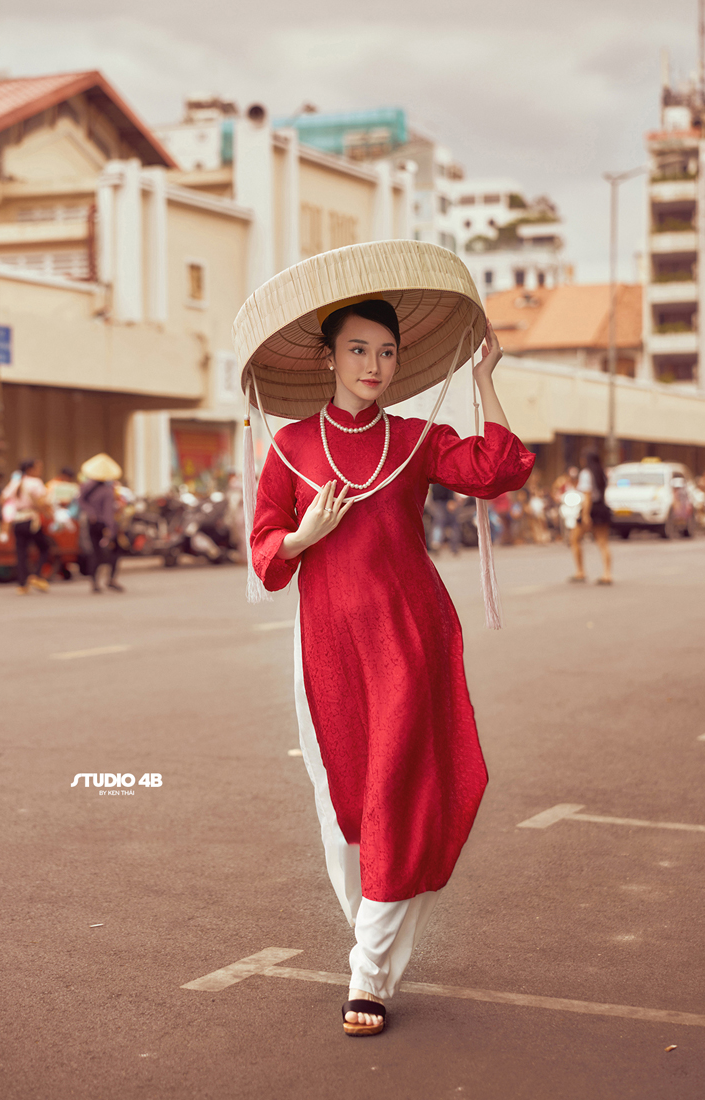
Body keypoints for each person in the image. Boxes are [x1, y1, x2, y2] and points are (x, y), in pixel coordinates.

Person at [247, 266, 535, 1038]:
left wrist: (484, 381)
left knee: (396, 795)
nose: (372, 365)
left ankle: (367, 975)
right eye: (357, 350)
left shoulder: (411, 440)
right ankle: (373, 936)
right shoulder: (291, 447)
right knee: (345, 806)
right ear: (328, 358)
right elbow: (264, 551)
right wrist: (302, 536)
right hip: (328, 648)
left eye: (385, 351)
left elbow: (496, 470)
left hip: (409, 639)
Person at [0, 459, 51, 594]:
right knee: (45, 547)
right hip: (30, 520)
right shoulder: (36, 482)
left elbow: (2, 499)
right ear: (30, 469)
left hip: (17, 520)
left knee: (21, 552)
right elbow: (43, 502)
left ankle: (22, 584)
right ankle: (37, 575)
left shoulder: (15, 482)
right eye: (38, 468)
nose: (40, 471)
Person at [78, 453, 125, 593]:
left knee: (94, 552)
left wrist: (91, 513)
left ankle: (94, 583)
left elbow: (80, 501)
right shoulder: (107, 490)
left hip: (92, 523)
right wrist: (110, 528)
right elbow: (108, 512)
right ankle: (110, 579)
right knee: (114, 551)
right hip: (104, 525)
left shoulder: (86, 487)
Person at [569, 449, 612, 584]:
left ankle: (580, 571)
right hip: (601, 508)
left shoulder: (586, 473)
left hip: (591, 508)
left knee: (574, 539)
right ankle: (607, 574)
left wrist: (586, 515)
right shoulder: (601, 473)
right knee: (603, 543)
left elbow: (587, 496)